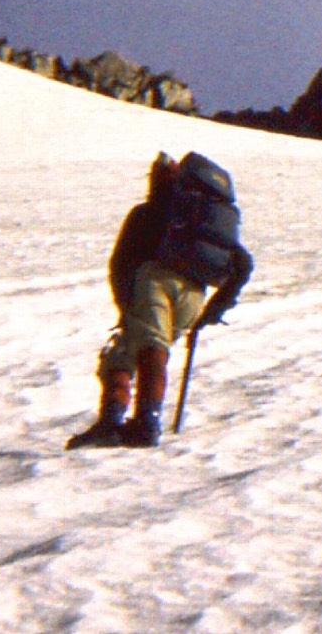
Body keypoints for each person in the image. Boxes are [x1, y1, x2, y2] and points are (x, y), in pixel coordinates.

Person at [66, 150, 253, 449]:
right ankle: (111, 423)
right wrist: (213, 309)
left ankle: (146, 423)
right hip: (193, 295)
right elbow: (243, 264)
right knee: (124, 352)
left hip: (154, 284)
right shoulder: (205, 220)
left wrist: (126, 304)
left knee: (151, 347)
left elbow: (121, 262)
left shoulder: (147, 212)